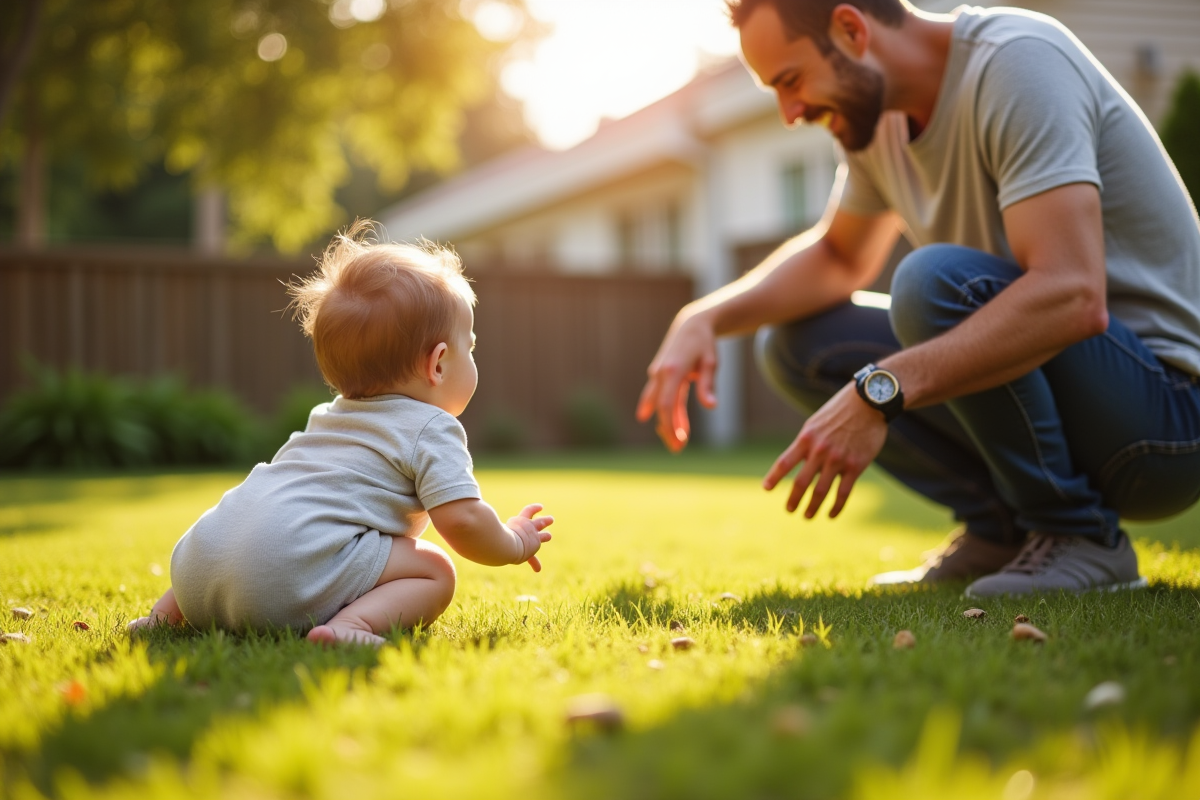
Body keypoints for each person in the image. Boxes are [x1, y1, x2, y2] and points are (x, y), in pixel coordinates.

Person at [638, 0, 1200, 597]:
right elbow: (839, 257)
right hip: (1074, 393)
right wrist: (705, 316)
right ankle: (1002, 529)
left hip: (1163, 421)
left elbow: (1072, 294)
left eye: (791, 81)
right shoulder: (875, 118)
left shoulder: (1016, 63)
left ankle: (1078, 534)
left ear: (852, 30)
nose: (789, 113)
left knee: (931, 282)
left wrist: (879, 389)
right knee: (795, 343)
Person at [129, 221, 553, 645]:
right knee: (436, 570)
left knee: (251, 527)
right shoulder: (431, 427)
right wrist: (514, 541)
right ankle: (352, 627)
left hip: (197, 563)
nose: (475, 358)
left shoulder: (326, 418)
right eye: (471, 347)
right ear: (438, 364)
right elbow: (461, 520)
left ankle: (162, 619)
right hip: (282, 578)